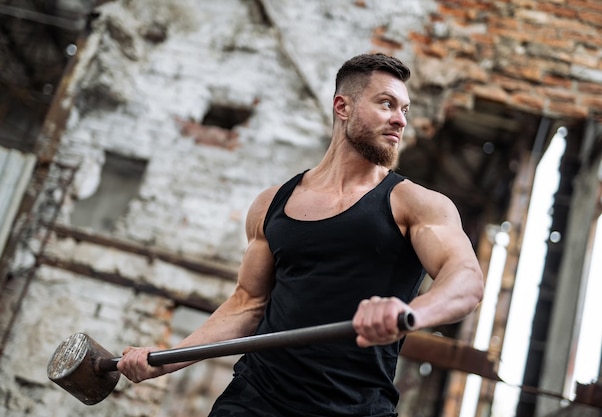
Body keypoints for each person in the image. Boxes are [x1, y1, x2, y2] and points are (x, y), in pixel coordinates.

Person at [117, 53, 484, 416]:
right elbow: (247, 304)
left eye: (405, 109)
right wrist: (166, 361)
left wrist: (410, 313)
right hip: (254, 401)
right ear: (343, 107)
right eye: (387, 104)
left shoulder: (415, 204)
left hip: (354, 409)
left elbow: (466, 281)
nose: (399, 120)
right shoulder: (272, 204)